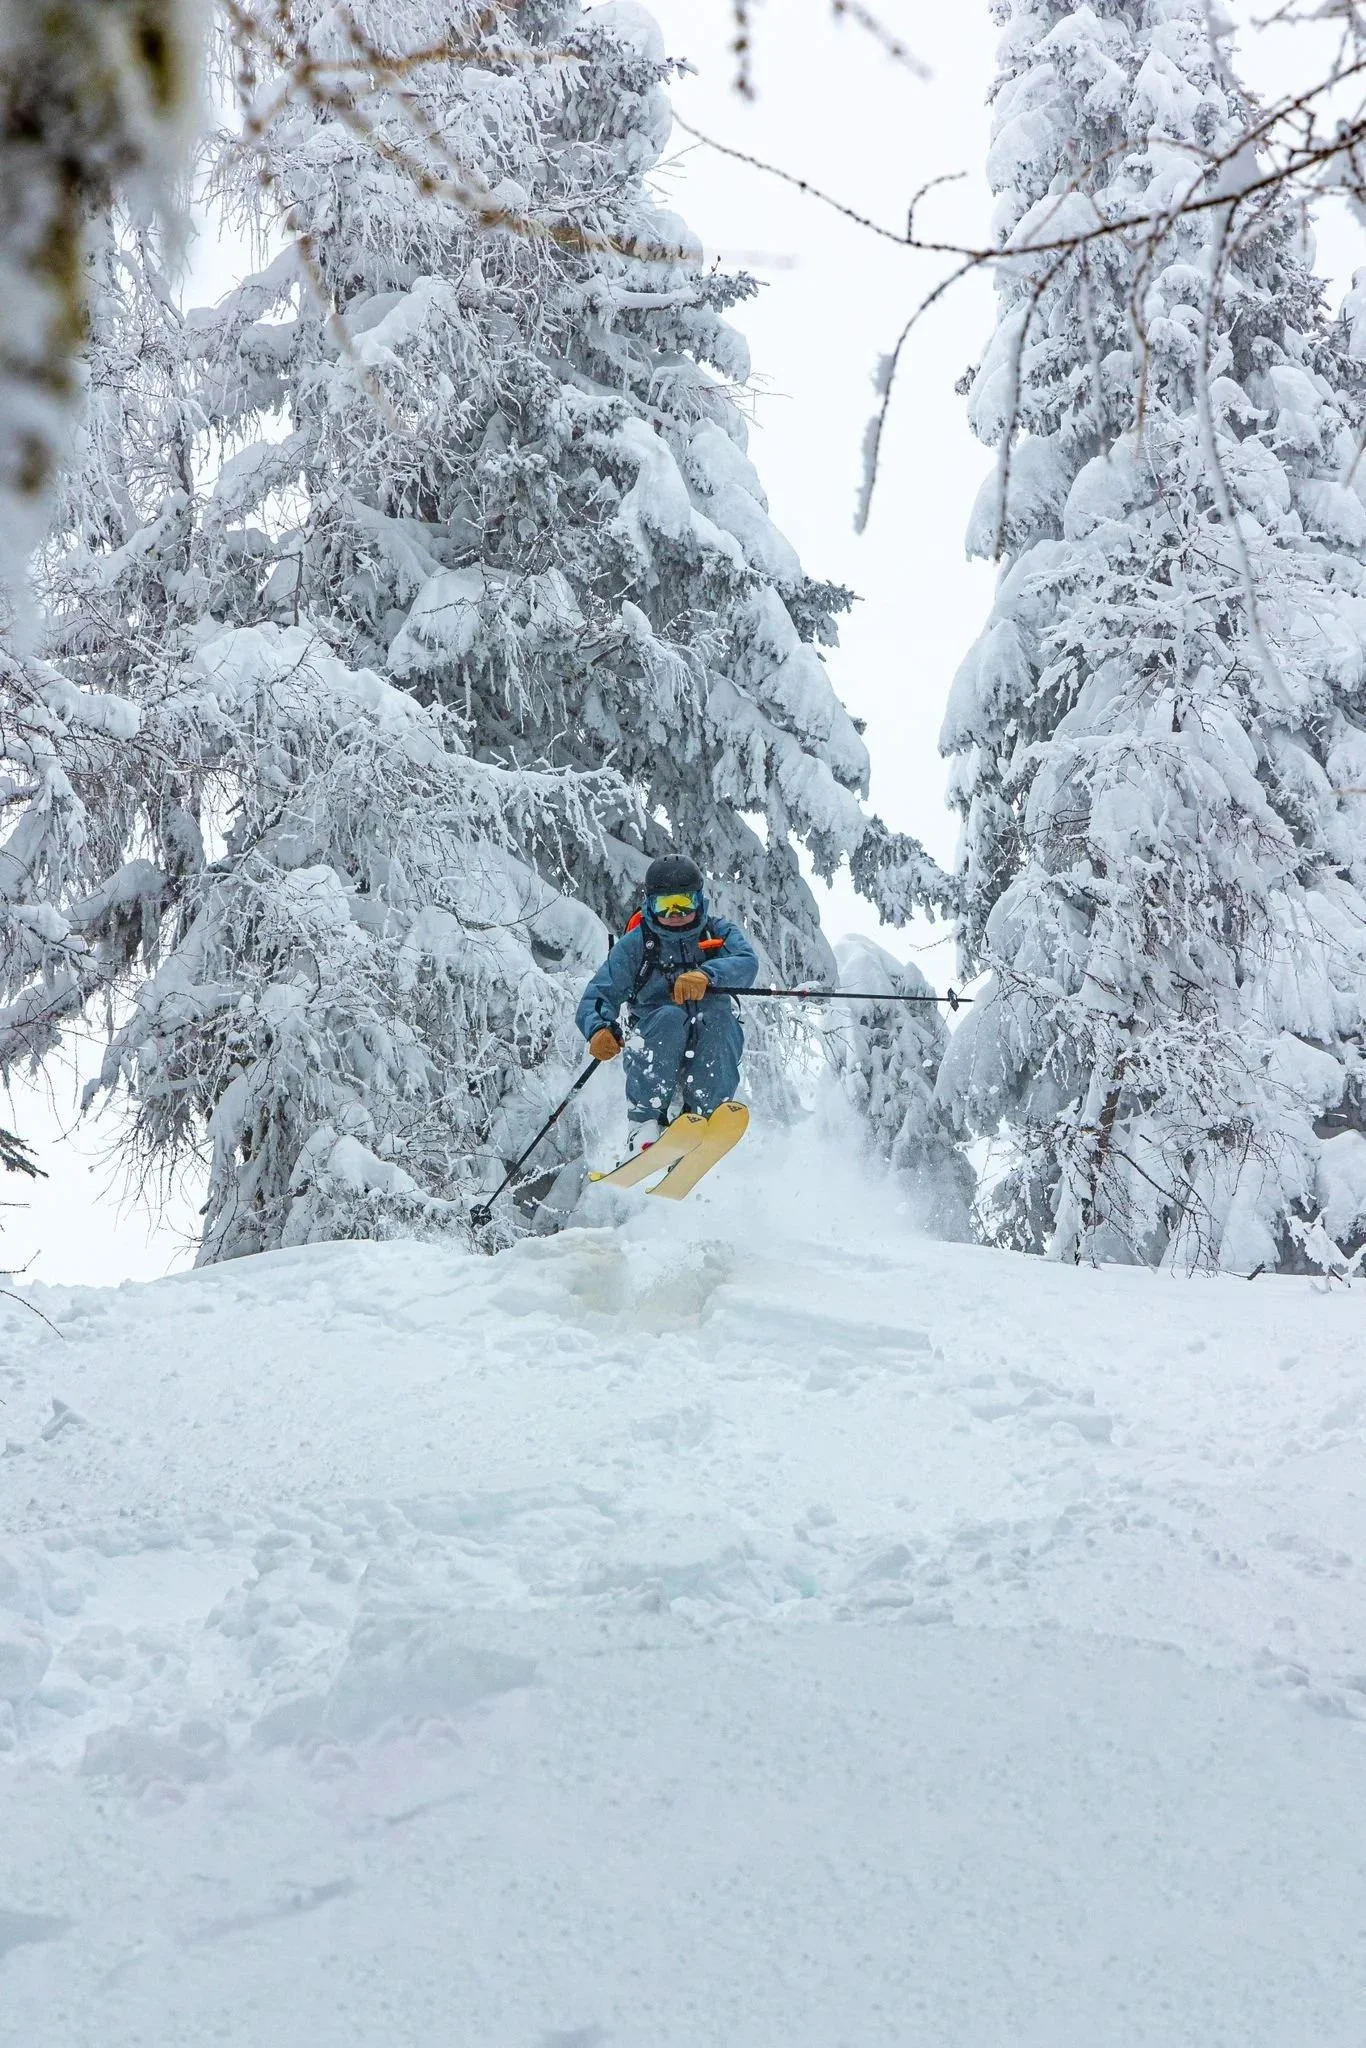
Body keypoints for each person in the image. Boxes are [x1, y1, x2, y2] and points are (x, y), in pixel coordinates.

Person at [576, 854, 759, 1150]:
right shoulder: (636, 945)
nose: (676, 913)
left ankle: (705, 1116)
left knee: (719, 1019)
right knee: (669, 1018)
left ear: (699, 900)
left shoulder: (716, 933)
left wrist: (707, 975)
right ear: (650, 904)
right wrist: (598, 1029)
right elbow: (598, 994)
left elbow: (747, 963)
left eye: (684, 903)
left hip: (708, 1037)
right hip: (656, 1038)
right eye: (665, 905)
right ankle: (645, 1124)